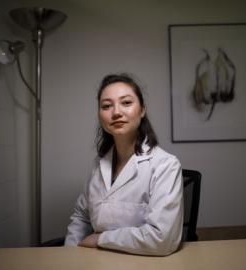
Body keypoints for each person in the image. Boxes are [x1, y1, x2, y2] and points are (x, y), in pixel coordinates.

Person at [64, 73, 183, 256]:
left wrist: (100, 239)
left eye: (126, 103)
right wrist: (69, 255)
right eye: (106, 106)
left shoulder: (165, 165)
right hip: (96, 262)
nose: (116, 112)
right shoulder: (99, 164)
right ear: (100, 115)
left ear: (142, 110)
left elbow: (162, 238)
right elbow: (82, 217)